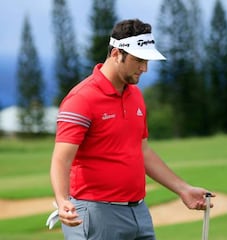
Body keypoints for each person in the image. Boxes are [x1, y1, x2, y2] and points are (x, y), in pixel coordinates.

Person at [49, 18, 215, 240]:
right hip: (96, 214)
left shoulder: (135, 95)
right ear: (117, 53)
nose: (144, 68)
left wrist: (182, 189)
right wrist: (62, 200)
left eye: (147, 61)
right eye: (138, 60)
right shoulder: (81, 99)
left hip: (138, 212)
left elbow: (142, 150)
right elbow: (61, 159)